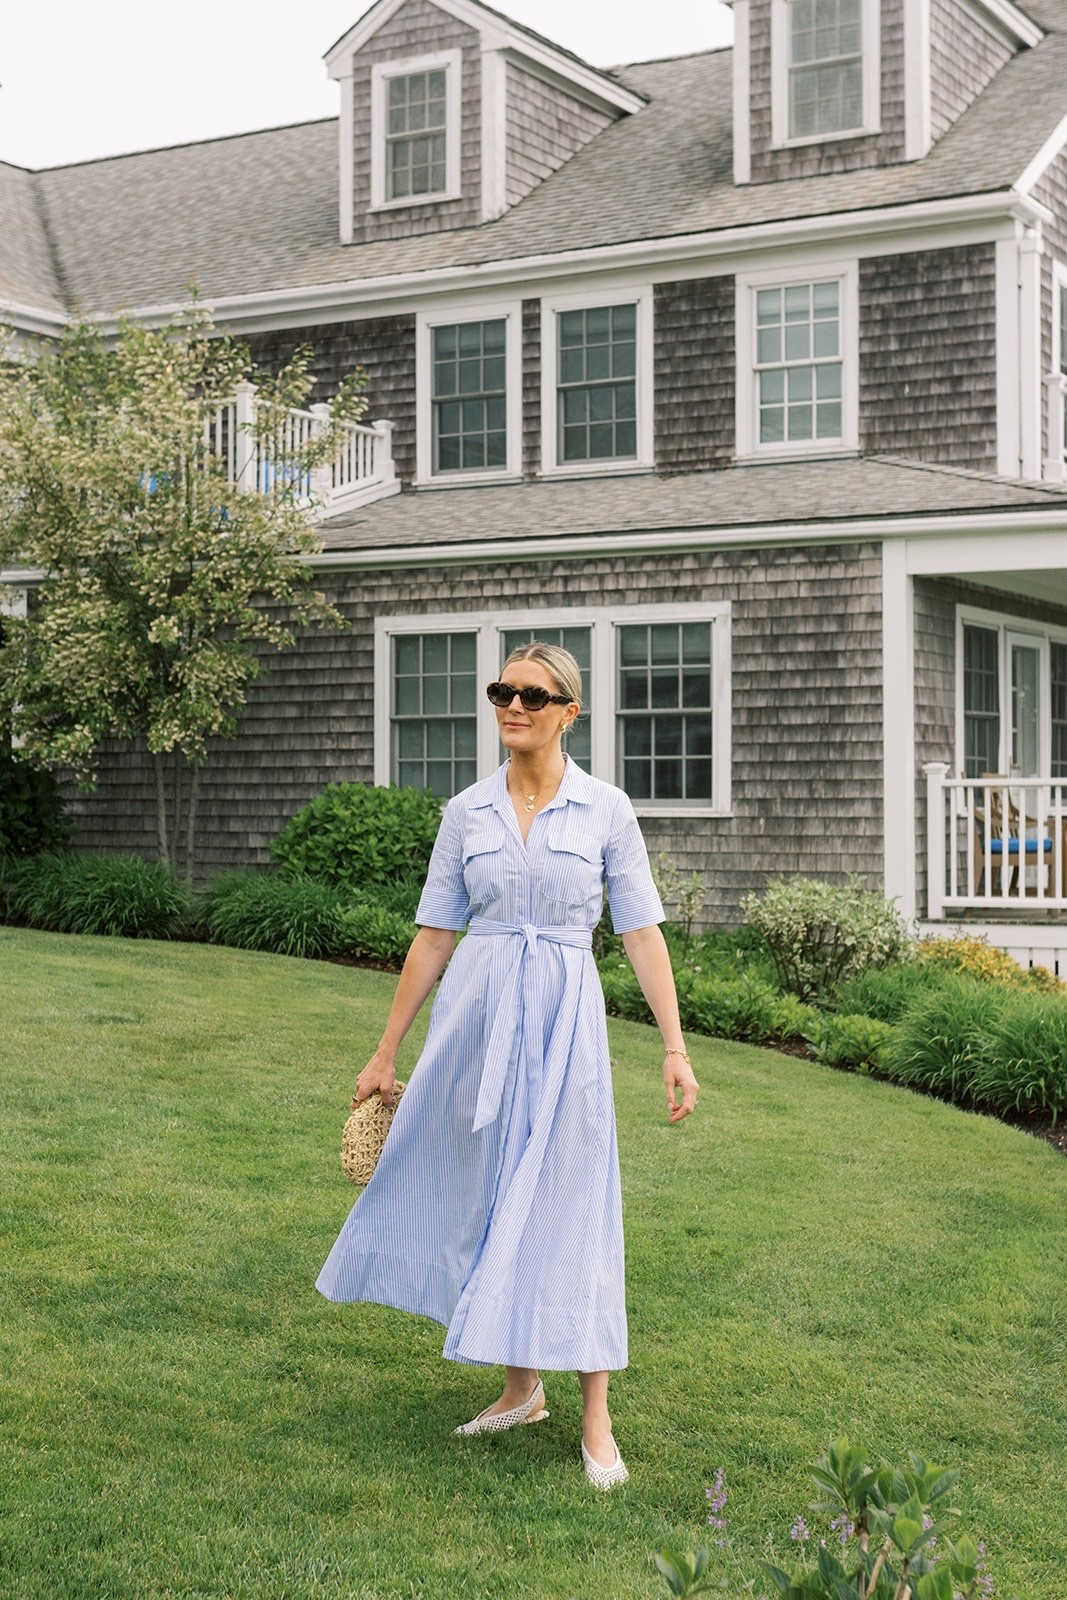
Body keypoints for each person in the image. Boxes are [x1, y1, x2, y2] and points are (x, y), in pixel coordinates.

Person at [316, 642, 698, 1489]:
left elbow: (639, 932)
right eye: (503, 692)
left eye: (534, 694)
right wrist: (385, 1054)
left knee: (571, 1199)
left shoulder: (605, 809)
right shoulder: (468, 812)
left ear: (569, 711)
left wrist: (673, 1049)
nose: (514, 705)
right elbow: (432, 935)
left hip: (566, 1022)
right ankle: (520, 1389)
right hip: (476, 1019)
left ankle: (595, 1414)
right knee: (485, 1190)